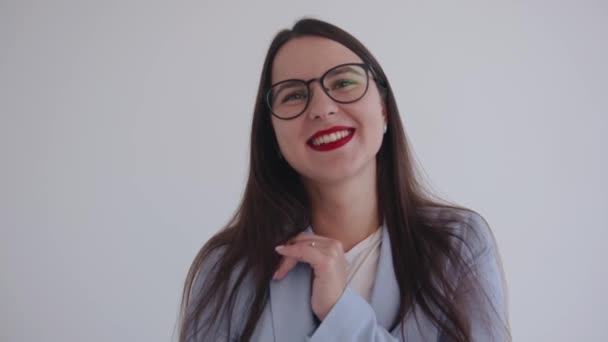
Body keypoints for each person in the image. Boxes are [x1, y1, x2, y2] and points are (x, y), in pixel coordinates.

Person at [177, 18, 510, 342]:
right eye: (293, 95)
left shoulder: (458, 244)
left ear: (383, 109)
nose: (322, 108)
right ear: (272, 135)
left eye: (343, 83)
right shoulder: (227, 267)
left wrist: (341, 313)